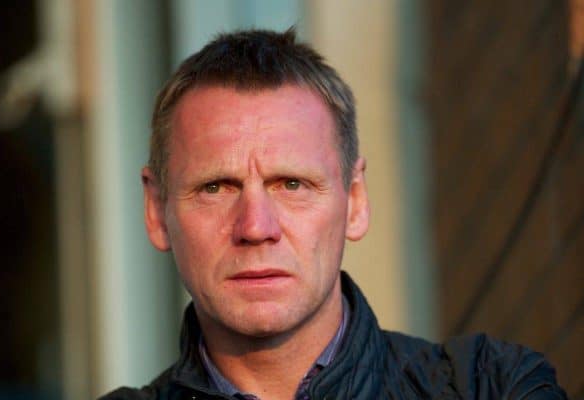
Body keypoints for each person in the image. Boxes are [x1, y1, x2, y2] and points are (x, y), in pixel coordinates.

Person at [100, 28, 566, 400]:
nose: (256, 228)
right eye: (216, 187)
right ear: (157, 211)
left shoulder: (493, 388)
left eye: (292, 184)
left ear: (356, 201)